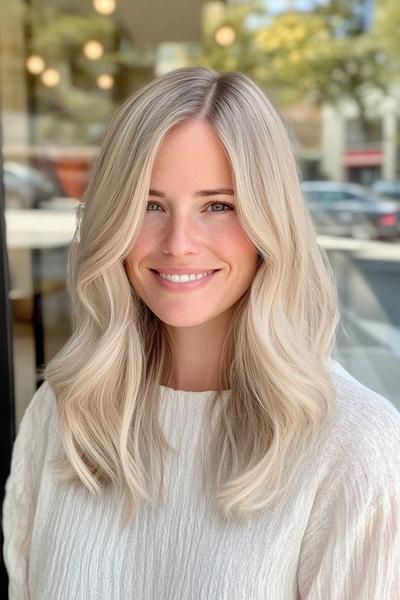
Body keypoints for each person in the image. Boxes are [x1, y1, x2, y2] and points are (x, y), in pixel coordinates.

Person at [2, 66, 400, 600]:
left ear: (270, 222)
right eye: (149, 204)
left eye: (218, 206)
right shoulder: (65, 409)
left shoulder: (355, 446)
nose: (179, 243)